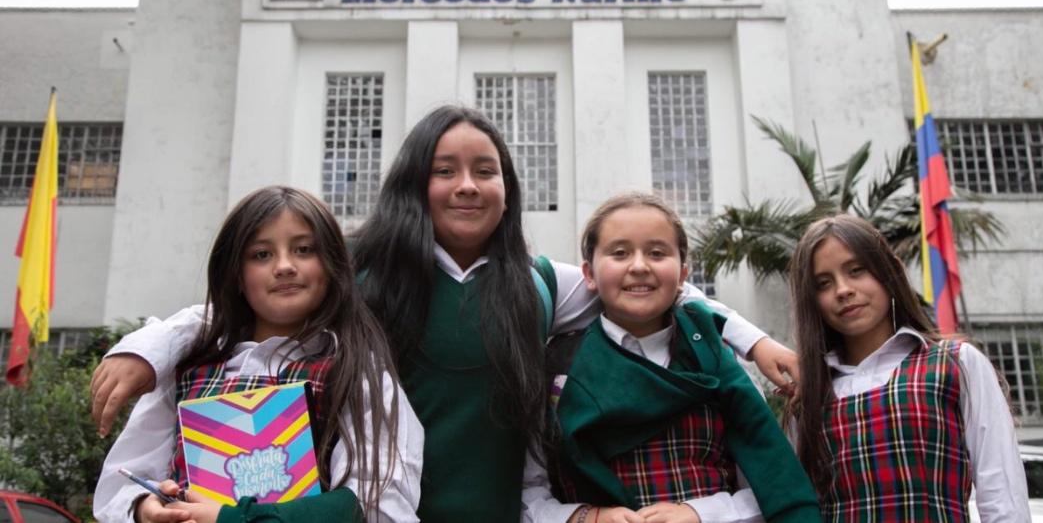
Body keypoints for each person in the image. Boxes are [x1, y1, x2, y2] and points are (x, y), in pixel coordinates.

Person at [91, 106, 799, 522]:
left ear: (508, 186)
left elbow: (643, 281)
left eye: (485, 170)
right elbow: (244, 300)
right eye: (445, 169)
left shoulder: (541, 283)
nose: (467, 185)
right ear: (413, 182)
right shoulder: (359, 275)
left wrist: (755, 342)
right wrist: (148, 346)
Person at [93, 186, 423, 523]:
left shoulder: (355, 370)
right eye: (261, 254)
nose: (284, 266)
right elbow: (121, 483)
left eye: (304, 249)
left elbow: (381, 502)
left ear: (331, 266)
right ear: (236, 274)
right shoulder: (186, 369)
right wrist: (144, 508)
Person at [523, 193, 820, 523]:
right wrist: (583, 517)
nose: (639, 266)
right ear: (588, 274)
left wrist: (701, 513)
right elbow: (528, 494)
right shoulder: (556, 369)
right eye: (619, 253)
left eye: (657, 252)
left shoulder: (716, 360)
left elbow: (772, 484)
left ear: (682, 275)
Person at [788, 214, 1029, 522]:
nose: (843, 289)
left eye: (856, 270)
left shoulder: (955, 364)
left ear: (888, 273)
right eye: (824, 283)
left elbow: (1002, 491)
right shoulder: (809, 395)